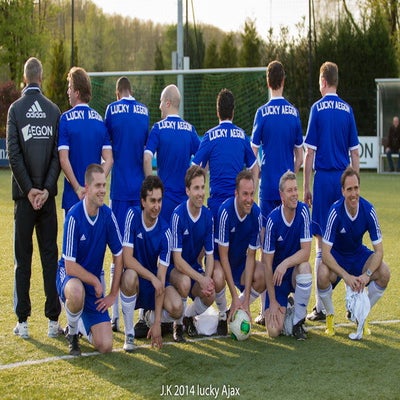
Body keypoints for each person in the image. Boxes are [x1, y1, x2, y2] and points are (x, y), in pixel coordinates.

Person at [7, 56, 63, 339]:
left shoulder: (15, 109)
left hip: (24, 199)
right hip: (46, 199)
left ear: (25, 78)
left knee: (23, 258)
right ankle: (53, 323)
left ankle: (23, 322)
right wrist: (45, 189)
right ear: (41, 77)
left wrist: (29, 190)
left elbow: (13, 154)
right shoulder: (53, 110)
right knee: (50, 256)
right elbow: (57, 156)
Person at [303, 61, 360, 322]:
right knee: (347, 242)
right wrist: (354, 187)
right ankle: (352, 303)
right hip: (343, 180)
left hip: (324, 181)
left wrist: (306, 187)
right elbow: (355, 153)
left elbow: (309, 154)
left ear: (324, 82)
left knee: (320, 242)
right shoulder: (347, 110)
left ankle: (320, 307)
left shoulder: (317, 108)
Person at [250, 60, 304, 326]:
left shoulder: (262, 112)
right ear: (283, 81)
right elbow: (300, 154)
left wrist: (260, 173)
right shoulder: (293, 113)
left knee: (266, 248)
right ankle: (291, 299)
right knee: (292, 244)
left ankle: (265, 308)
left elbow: (252, 151)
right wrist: (291, 175)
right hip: (286, 193)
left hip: (267, 190)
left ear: (268, 82)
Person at [56, 164, 123, 355]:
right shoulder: (74, 216)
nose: (103, 190)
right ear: (87, 187)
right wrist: (95, 280)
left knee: (106, 346)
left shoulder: (107, 215)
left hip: (92, 286)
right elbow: (70, 266)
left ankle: (80, 323)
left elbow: (119, 256)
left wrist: (113, 294)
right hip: (71, 278)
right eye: (98, 185)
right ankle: (72, 333)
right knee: (76, 291)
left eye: (104, 185)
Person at [318, 167, 390, 336]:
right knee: (322, 273)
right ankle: (330, 316)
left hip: (358, 256)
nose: (353, 193)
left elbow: (379, 251)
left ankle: (360, 314)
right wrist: (346, 276)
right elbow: (325, 253)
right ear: (343, 191)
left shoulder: (368, 210)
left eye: (356, 188)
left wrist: (367, 275)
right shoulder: (335, 211)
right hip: (337, 257)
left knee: (384, 272)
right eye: (349, 189)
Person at [104, 76, 150, 333]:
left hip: (120, 192)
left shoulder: (112, 110)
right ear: (131, 91)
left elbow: (106, 149)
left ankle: (114, 316)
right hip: (140, 192)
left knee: (118, 250)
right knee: (140, 251)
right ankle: (142, 313)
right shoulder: (144, 111)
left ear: (117, 93)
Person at [120, 175, 183, 350]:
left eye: (159, 200)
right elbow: (127, 259)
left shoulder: (165, 232)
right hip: (137, 281)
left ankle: (150, 318)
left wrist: (157, 324)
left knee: (178, 308)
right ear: (143, 201)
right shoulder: (132, 215)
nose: (157, 206)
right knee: (129, 276)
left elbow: (161, 278)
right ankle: (129, 334)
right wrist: (151, 277)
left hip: (154, 285)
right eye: (152, 201)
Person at [169, 165, 225, 339]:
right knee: (185, 282)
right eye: (196, 188)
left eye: (202, 187)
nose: (201, 193)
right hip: (174, 270)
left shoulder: (207, 216)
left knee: (210, 294)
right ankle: (177, 324)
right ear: (187, 191)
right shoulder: (178, 215)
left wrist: (207, 279)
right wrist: (201, 279)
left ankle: (187, 317)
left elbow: (210, 255)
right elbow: (177, 260)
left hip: (193, 268)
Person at [192, 88, 259, 223]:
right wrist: (249, 195)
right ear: (233, 112)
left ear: (217, 112)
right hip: (237, 205)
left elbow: (194, 169)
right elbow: (255, 168)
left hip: (217, 206)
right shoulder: (241, 136)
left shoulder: (210, 136)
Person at [262, 171, 313, 340]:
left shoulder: (303, 211)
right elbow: (267, 264)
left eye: (296, 189)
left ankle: (298, 321)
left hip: (293, 274)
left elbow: (306, 252)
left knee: (305, 268)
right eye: (290, 190)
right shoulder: (273, 220)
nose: (294, 194)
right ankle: (288, 306)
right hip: (277, 280)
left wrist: (285, 264)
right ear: (281, 195)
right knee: (273, 331)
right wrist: (273, 301)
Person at [214, 170, 265, 335]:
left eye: (251, 194)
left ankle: (236, 308)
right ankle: (223, 315)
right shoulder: (225, 212)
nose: (249, 199)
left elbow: (251, 256)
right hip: (220, 262)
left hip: (240, 263)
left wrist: (246, 299)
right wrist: (234, 296)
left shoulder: (256, 214)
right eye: (245, 194)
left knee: (263, 273)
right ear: (236, 193)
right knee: (218, 277)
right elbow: (223, 256)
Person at [58, 66, 113, 215]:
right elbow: (109, 159)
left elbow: (63, 159)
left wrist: (78, 188)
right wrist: (95, 186)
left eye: (70, 88)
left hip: (73, 197)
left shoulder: (66, 119)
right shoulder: (99, 121)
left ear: (77, 92)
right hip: (93, 198)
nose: (68, 92)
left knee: (72, 231)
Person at [144, 84, 200, 222]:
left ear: (167, 103)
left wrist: (151, 188)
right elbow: (203, 160)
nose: (159, 106)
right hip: (185, 200)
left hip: (164, 199)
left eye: (161, 102)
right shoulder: (190, 130)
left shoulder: (158, 128)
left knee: (164, 234)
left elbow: (146, 159)